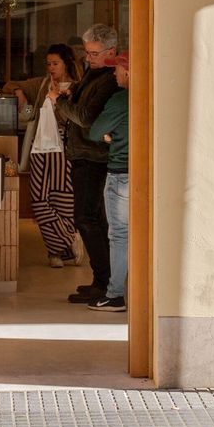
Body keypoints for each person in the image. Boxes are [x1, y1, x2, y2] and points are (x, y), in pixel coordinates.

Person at [52, 24, 121, 303]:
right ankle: (101, 280)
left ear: (111, 52)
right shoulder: (96, 73)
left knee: (87, 219)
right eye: (87, 53)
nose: (88, 59)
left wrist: (59, 102)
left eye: (94, 54)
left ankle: (105, 283)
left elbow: (87, 118)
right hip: (84, 154)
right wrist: (72, 96)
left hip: (93, 157)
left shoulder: (110, 80)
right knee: (92, 219)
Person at [13, 44, 81, 268]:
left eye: (55, 63)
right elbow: (10, 85)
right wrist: (20, 94)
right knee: (39, 200)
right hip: (40, 147)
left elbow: (77, 120)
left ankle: (56, 252)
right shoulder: (41, 84)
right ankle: (70, 238)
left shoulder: (78, 87)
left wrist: (59, 100)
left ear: (66, 63)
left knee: (63, 200)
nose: (51, 67)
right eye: (48, 63)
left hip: (66, 148)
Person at [86, 53, 130, 312]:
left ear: (128, 71)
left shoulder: (120, 99)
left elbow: (94, 131)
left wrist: (107, 136)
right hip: (143, 172)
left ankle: (114, 294)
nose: (114, 74)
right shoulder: (151, 95)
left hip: (119, 174)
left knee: (119, 235)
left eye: (118, 70)